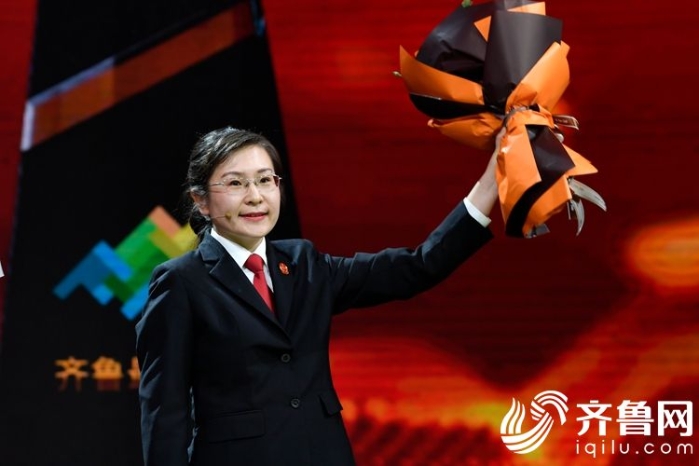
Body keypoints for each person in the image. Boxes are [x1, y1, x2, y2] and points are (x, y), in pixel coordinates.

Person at [135, 127, 499, 466]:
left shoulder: (304, 263)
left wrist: (494, 177)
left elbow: (418, 266)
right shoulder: (181, 282)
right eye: (235, 183)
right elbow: (164, 412)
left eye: (265, 180)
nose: (255, 196)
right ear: (201, 201)